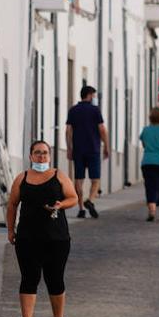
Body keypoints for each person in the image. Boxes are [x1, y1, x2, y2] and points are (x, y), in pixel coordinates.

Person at [6, 140, 79, 317]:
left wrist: (60, 205)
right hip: (27, 237)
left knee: (55, 278)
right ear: (30, 156)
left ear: (50, 155)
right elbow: (12, 204)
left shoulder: (59, 175)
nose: (42, 156)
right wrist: (10, 230)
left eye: (45, 153)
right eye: (38, 153)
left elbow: (73, 198)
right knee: (29, 277)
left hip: (57, 238)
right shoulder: (22, 178)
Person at [65, 85, 109, 219]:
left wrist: (69, 148)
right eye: (94, 95)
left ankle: (81, 209)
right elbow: (102, 129)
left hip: (78, 149)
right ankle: (90, 200)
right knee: (95, 179)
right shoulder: (95, 110)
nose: (94, 98)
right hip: (93, 149)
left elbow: (68, 131)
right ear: (89, 95)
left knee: (79, 179)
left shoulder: (73, 110)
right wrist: (106, 145)